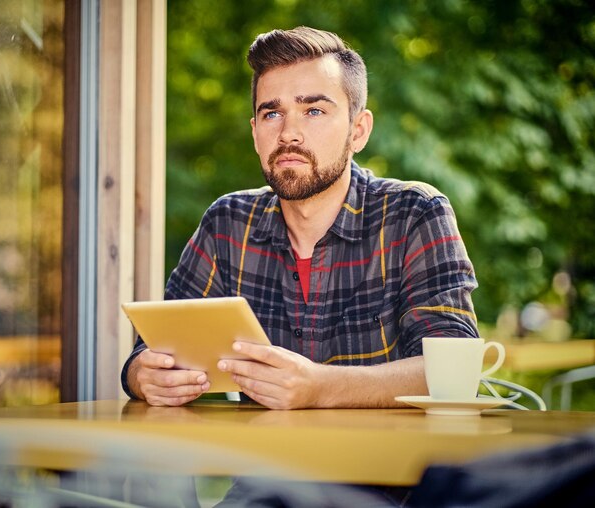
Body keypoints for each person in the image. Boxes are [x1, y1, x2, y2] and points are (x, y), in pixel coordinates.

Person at [121, 25, 479, 507]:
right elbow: (150, 353)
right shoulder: (228, 222)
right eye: (272, 113)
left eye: (314, 109)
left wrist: (321, 387)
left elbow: (454, 366)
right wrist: (143, 375)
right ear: (254, 132)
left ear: (359, 129)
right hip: (266, 487)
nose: (288, 132)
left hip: (394, 489)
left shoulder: (415, 213)